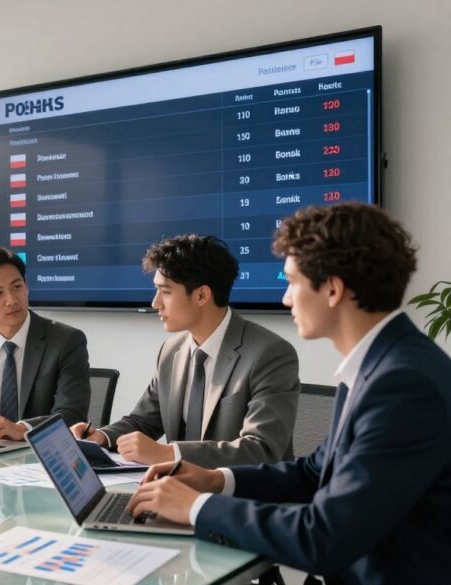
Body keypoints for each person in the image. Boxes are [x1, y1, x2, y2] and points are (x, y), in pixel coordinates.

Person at [126, 203, 451, 584]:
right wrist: (215, 480)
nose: (285, 298)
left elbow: (324, 536)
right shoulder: (380, 366)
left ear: (332, 288)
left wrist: (198, 507)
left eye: (292, 281)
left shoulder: (403, 385)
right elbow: (315, 472)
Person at [70, 235, 300, 467]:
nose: (155, 303)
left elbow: (261, 449)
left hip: (241, 495)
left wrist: (168, 454)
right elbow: (143, 420)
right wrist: (102, 436)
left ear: (202, 295)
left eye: (165, 292)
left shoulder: (270, 354)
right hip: (179, 490)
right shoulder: (171, 351)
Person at [0, 247, 90, 441]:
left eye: (17, 286)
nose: (12, 300)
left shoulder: (66, 340)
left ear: (26, 285)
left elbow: (72, 414)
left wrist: (22, 429)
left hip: (40, 456)